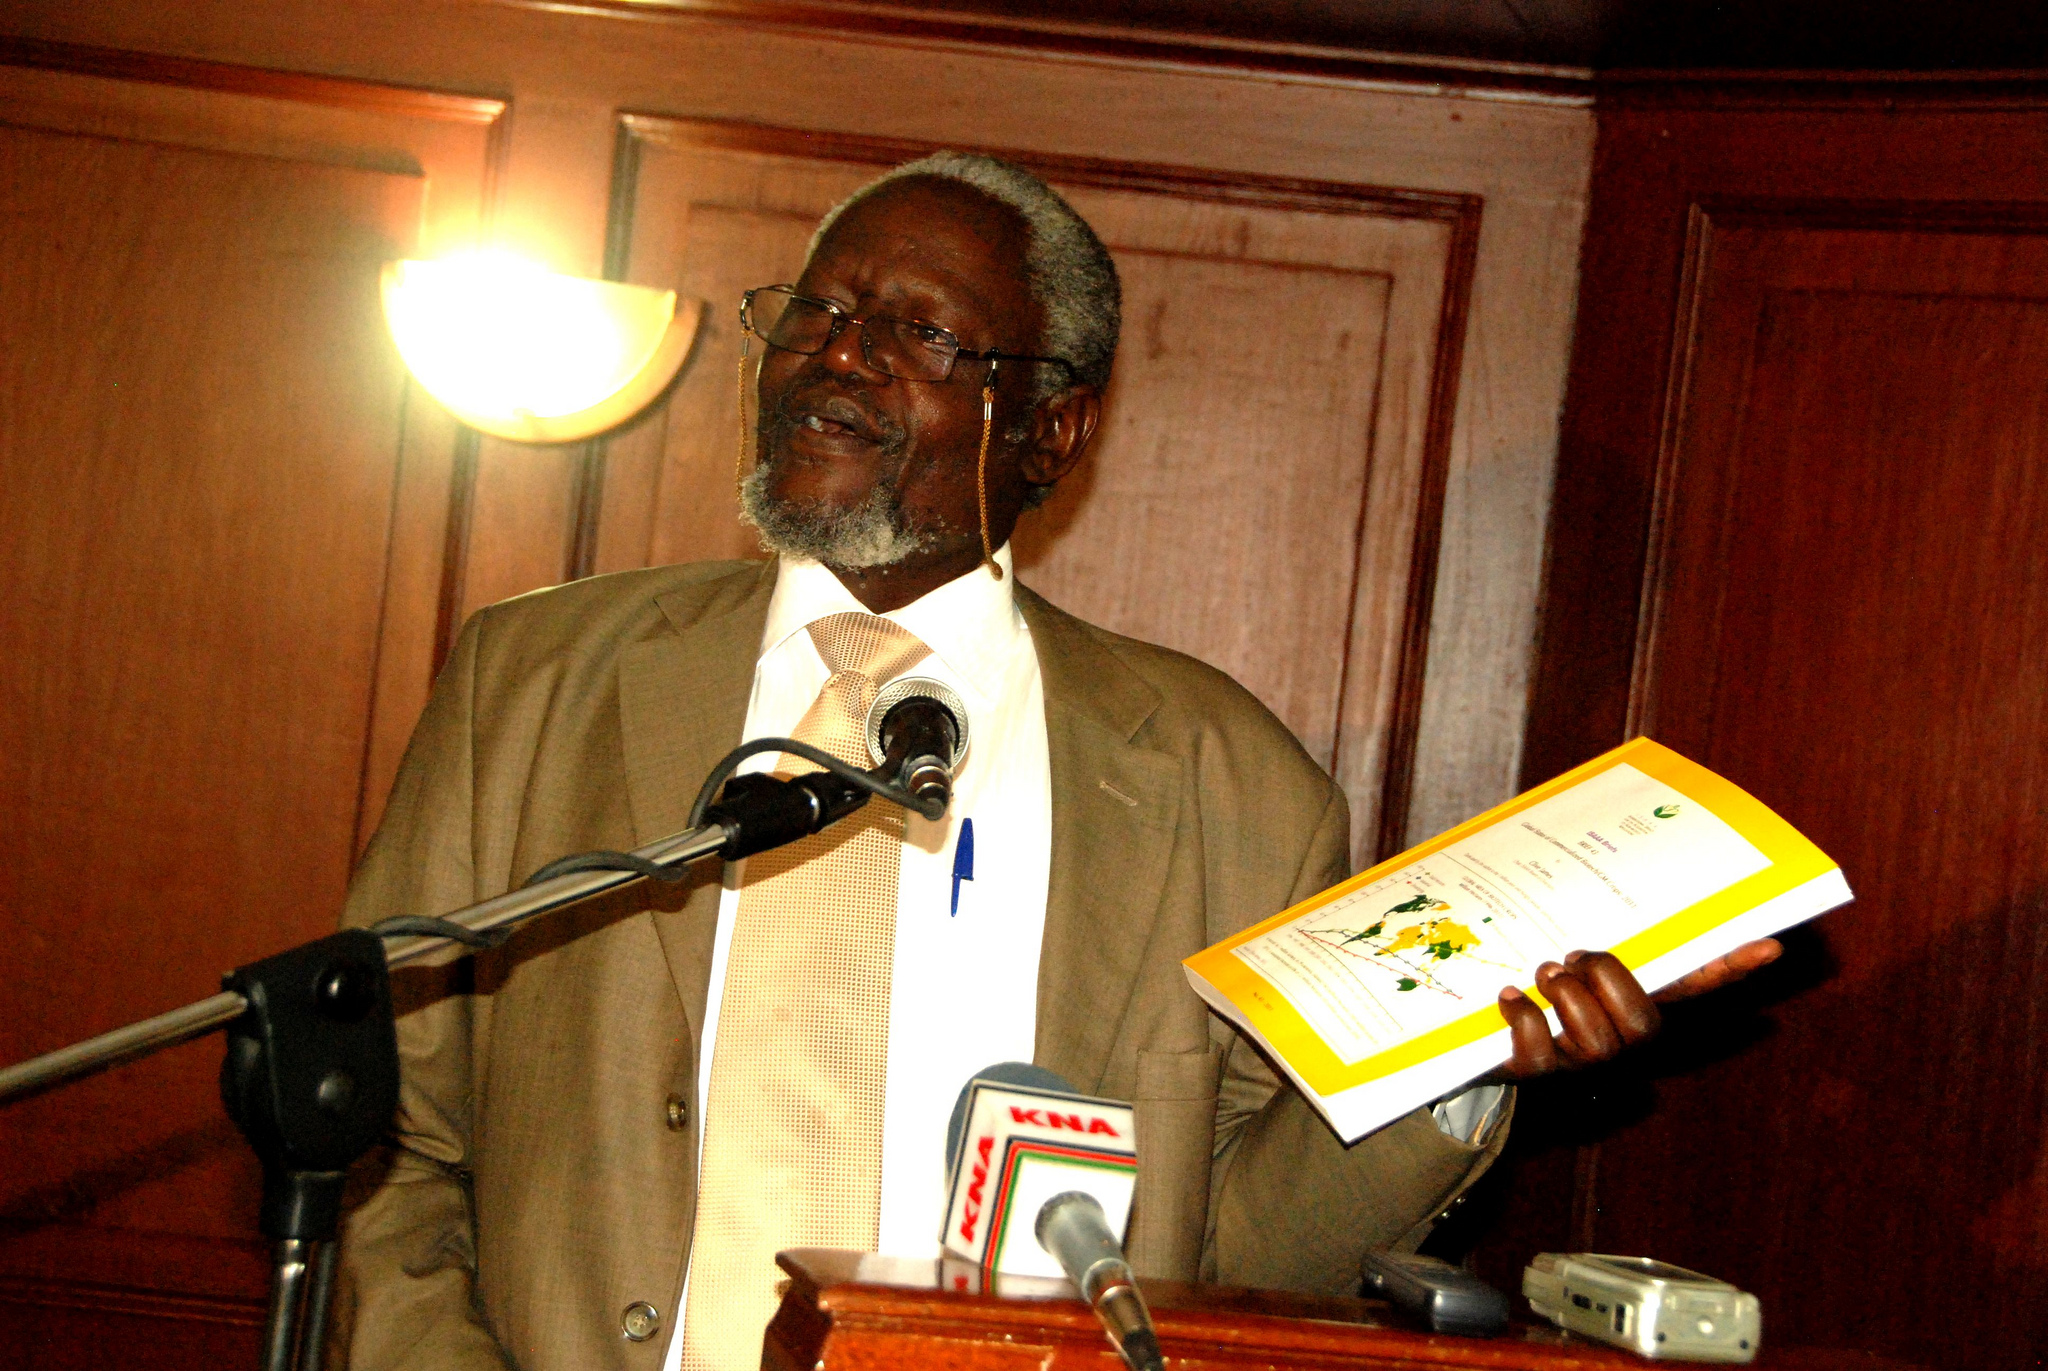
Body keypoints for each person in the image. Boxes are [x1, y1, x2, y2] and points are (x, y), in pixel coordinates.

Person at [334, 153, 1777, 1371]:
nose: (839, 354)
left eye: (919, 335)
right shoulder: (537, 683)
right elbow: (388, 1139)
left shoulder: (1226, 784)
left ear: (1052, 427)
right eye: (817, 311)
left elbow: (1242, 1252)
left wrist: (1468, 1064)